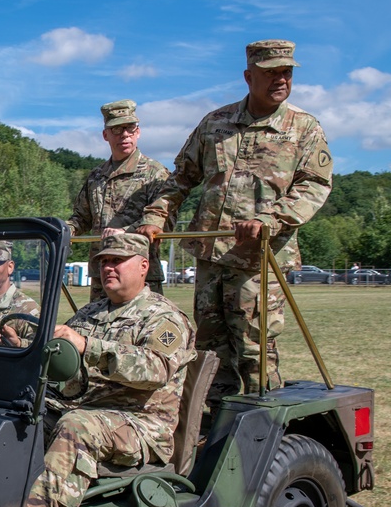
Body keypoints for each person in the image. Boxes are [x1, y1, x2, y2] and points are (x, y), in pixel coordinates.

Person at [136, 39, 332, 408]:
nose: (280, 79)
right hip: (211, 257)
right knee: (210, 350)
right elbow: (181, 178)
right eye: (270, 72)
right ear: (248, 76)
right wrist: (156, 216)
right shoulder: (215, 124)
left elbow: (314, 184)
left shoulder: (303, 128)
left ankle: (266, 434)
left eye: (286, 72)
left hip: (259, 261)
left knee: (256, 351)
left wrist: (269, 218)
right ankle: (211, 429)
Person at [23, 233, 196, 507]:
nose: (107, 268)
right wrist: (24, 346)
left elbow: (155, 369)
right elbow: (64, 354)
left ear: (143, 266)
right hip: (85, 407)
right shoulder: (92, 312)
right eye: (103, 261)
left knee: (77, 427)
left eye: (117, 260)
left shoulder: (165, 317)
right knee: (23, 413)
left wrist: (89, 346)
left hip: (141, 424)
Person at [68, 99, 175, 299]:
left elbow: (165, 220)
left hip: (140, 275)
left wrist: (125, 233)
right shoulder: (96, 176)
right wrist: (65, 230)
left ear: (138, 132)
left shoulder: (156, 173)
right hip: (103, 274)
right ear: (105, 135)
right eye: (117, 129)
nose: (124, 135)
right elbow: (82, 217)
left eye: (130, 128)